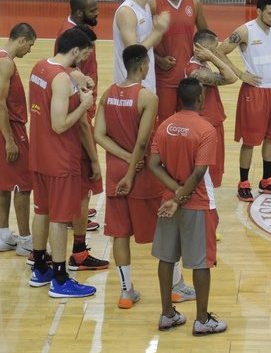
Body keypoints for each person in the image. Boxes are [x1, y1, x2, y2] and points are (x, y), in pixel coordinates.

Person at [149, 77, 227, 335]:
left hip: (168, 202)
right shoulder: (206, 130)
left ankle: (166, 314)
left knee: (166, 257)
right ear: (201, 98)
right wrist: (180, 197)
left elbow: (153, 164)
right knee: (201, 262)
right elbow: (198, 173)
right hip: (198, 203)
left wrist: (172, 195)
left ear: (179, 99)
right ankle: (202, 320)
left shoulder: (165, 126)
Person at [28, 27, 97, 298]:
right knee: (59, 217)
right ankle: (59, 278)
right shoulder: (60, 79)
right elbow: (59, 125)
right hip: (59, 158)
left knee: (42, 211)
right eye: (87, 52)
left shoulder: (39, 67)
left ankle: (40, 268)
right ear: (76, 51)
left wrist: (80, 79)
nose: (87, 57)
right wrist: (83, 104)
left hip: (39, 155)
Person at [94, 44, 162, 309]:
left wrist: (122, 158)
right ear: (144, 66)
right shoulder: (147, 97)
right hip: (141, 174)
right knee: (163, 231)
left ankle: (125, 292)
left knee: (120, 234)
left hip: (115, 171)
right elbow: (143, 142)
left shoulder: (108, 95)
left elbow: (98, 135)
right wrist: (132, 168)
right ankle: (177, 285)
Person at [215, 0, 271, 201]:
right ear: (258, 12)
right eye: (270, 13)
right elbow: (220, 52)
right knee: (249, 140)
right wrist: (240, 74)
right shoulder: (245, 31)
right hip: (254, 92)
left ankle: (267, 180)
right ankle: (243, 183)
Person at [0, 23, 36, 256]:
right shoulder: (5, 63)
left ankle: (4, 236)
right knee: (23, 184)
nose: (30, 50)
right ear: (22, 40)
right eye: (30, 45)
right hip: (9, 127)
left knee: (3, 183)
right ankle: (26, 240)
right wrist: (10, 140)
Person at [55, 0, 101, 227]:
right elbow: (67, 70)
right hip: (79, 107)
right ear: (81, 12)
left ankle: (78, 208)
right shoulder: (70, 35)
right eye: (93, 10)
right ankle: (76, 215)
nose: (97, 14)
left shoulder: (77, 30)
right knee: (82, 162)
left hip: (84, 104)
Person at [65, 26, 108, 272]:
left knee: (52, 205)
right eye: (86, 53)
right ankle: (79, 253)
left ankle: (41, 256)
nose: (87, 58)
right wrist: (94, 159)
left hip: (51, 147)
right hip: (73, 146)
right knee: (82, 195)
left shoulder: (44, 70)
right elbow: (81, 122)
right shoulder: (74, 76)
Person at [152, 0, 209, 123]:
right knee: (165, 122)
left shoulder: (194, 2)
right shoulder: (154, 4)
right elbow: (143, 41)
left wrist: (201, 60)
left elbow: (205, 36)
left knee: (188, 122)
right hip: (165, 77)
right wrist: (159, 60)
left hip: (189, 76)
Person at [186, 29, 237, 191]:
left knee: (213, 174)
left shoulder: (203, 65)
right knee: (206, 175)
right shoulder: (195, 71)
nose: (217, 51)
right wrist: (213, 57)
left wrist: (210, 57)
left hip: (212, 121)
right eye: (213, 48)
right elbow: (231, 77)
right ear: (200, 48)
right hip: (205, 125)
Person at [113, 0, 170, 93]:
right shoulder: (127, 12)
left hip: (146, 82)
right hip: (129, 88)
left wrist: (159, 31)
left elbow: (149, 44)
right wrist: (158, 31)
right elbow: (134, 54)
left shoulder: (146, 7)